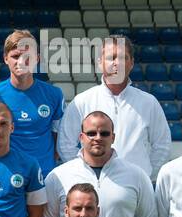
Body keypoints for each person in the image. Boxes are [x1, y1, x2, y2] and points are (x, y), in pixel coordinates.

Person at [57, 35, 171, 181]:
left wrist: (145, 176)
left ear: (131, 63)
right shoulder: (82, 101)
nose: (117, 63)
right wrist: (87, 175)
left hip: (136, 187)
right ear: (100, 63)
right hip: (91, 189)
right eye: (112, 57)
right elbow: (65, 144)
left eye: (123, 58)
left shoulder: (149, 102)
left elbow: (162, 144)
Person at [0, 30, 64, 175]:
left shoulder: (54, 95)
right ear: (6, 58)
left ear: (37, 58)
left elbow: (59, 138)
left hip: (43, 174)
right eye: (15, 56)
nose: (21, 61)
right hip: (3, 173)